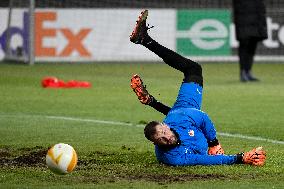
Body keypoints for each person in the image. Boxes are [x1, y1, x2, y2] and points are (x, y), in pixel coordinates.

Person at [129, 10, 266, 166]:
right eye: (161, 139)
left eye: (164, 133)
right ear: (156, 144)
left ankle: (145, 40)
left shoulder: (181, 120)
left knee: (194, 69)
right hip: (183, 114)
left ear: (166, 126)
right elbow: (202, 159)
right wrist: (240, 158)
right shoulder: (172, 157)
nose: (166, 138)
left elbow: (202, 118)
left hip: (187, 109)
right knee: (193, 71)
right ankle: (144, 41)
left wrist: (214, 143)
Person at [232, 0, 268, 82]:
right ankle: (243, 72)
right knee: (244, 44)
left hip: (256, 18)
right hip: (244, 17)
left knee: (253, 43)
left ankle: (248, 71)